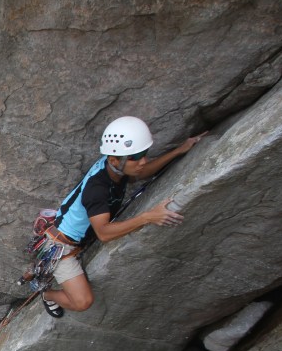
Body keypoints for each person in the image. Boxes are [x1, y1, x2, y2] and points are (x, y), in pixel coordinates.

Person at [33, 116, 206, 317]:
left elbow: (140, 173)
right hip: (62, 247)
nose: (143, 161)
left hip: (75, 237)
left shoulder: (114, 167)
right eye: (136, 157)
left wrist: (179, 150)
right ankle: (48, 295)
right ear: (115, 160)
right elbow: (104, 233)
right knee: (82, 302)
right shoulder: (97, 189)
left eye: (144, 154)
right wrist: (147, 217)